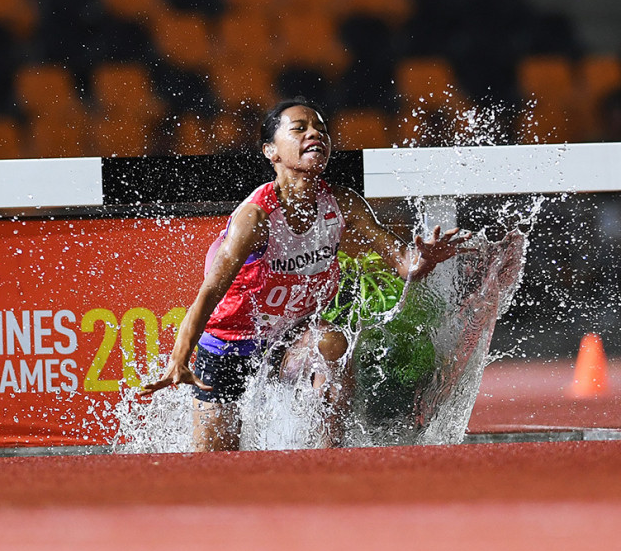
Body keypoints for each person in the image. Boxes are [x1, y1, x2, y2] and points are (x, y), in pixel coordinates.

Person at [141, 99, 471, 451]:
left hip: (288, 339)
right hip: (229, 345)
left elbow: (405, 263)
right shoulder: (255, 219)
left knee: (330, 343)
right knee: (214, 463)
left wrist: (425, 259)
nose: (315, 133)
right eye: (299, 128)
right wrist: (179, 358)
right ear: (271, 151)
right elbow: (208, 293)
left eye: (321, 129)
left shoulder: (343, 204)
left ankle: (328, 460)